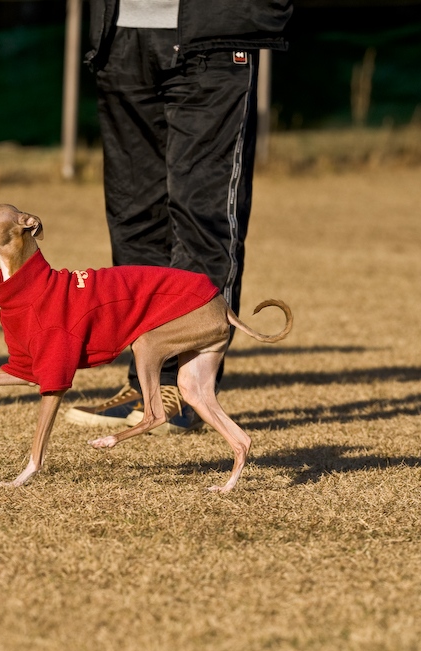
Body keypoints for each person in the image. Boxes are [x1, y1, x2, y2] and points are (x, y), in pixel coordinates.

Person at [65, 0, 292, 434]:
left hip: (214, 33)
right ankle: (146, 384)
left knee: (201, 216)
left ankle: (185, 388)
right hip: (119, 34)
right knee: (134, 217)